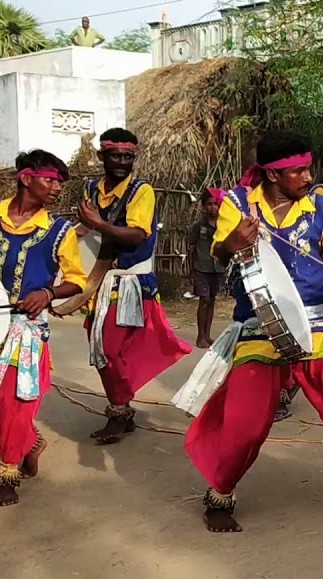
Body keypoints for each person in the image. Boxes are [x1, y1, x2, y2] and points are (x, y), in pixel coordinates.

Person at [176, 130, 323, 540]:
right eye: (297, 170)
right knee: (244, 425)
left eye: (307, 168)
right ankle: (219, 495)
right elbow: (218, 252)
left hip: (317, 322)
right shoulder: (237, 205)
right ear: (271, 174)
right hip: (260, 327)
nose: (307, 176)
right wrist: (231, 243)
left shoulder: (320, 205)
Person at [0, 150, 86, 506]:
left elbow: (77, 280)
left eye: (61, 182)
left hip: (24, 330)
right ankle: (30, 441)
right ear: (26, 178)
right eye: (50, 179)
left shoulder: (59, 231)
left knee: (14, 403)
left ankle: (7, 474)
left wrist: (48, 292)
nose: (57, 188)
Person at [77, 128, 192, 445]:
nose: (122, 162)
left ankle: (119, 411)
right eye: (116, 155)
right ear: (102, 156)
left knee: (112, 350)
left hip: (130, 284)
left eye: (129, 156)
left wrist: (98, 224)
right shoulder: (93, 189)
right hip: (99, 284)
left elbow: (137, 235)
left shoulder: (142, 191)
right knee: (100, 348)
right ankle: (121, 406)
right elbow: (90, 235)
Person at [187, 189, 226, 349]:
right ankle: (200, 336)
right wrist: (191, 272)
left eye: (215, 204)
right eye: (209, 204)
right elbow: (191, 248)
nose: (213, 207)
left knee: (212, 301)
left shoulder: (224, 224)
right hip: (201, 268)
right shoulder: (198, 226)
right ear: (204, 207)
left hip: (217, 268)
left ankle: (207, 335)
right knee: (204, 301)